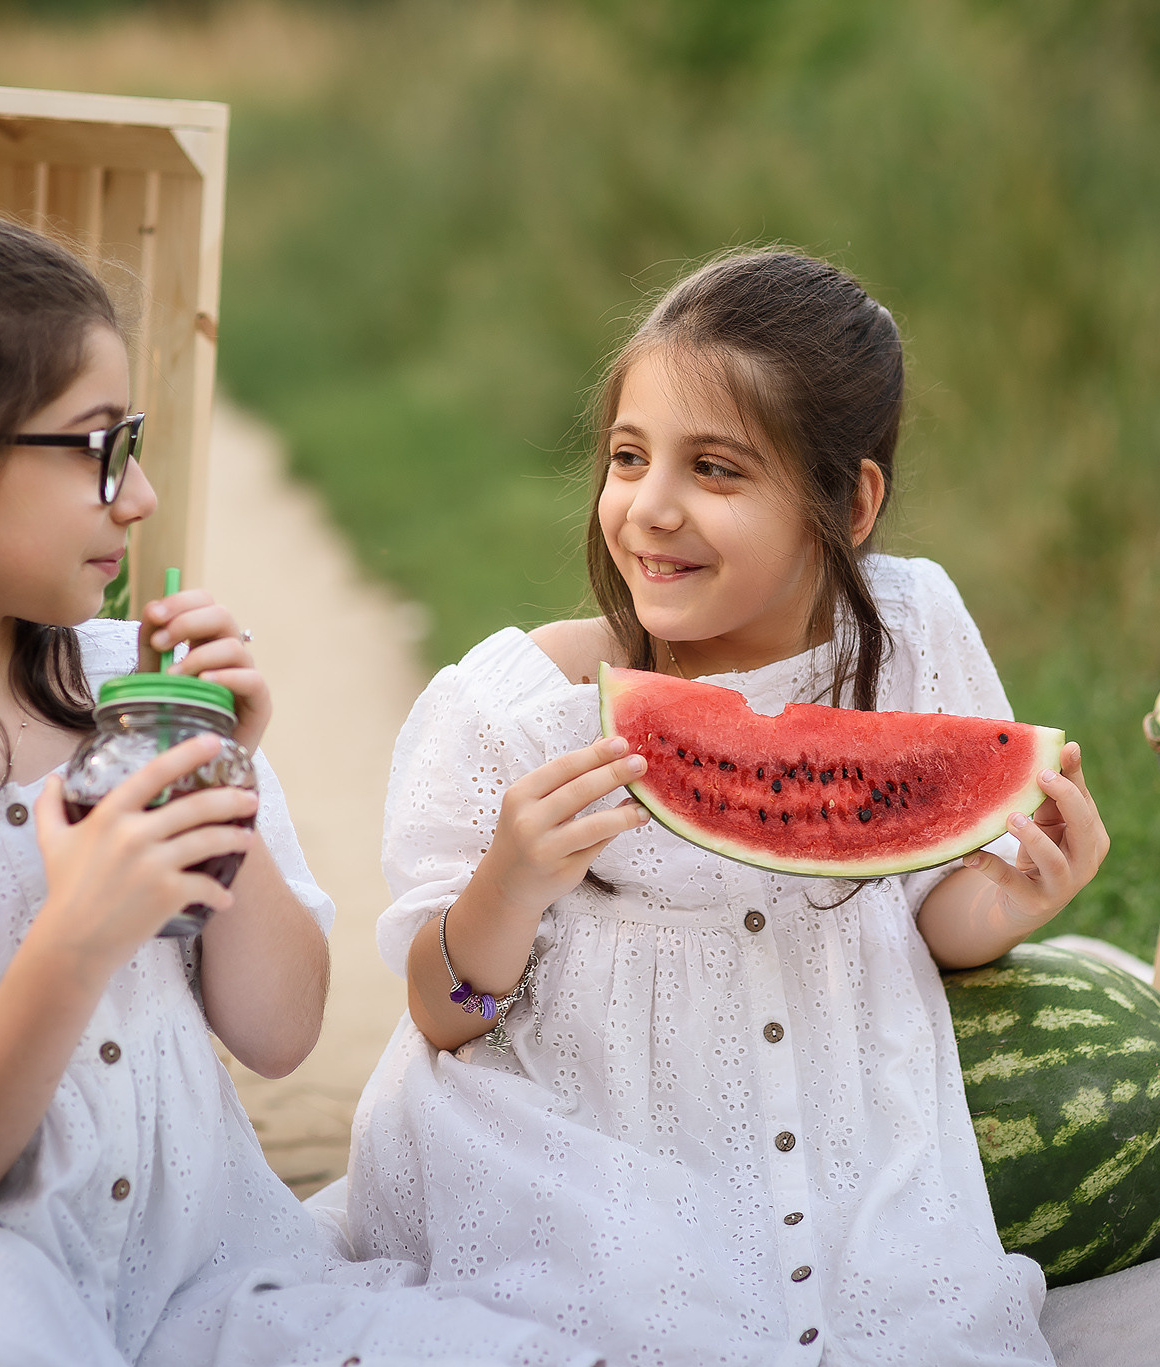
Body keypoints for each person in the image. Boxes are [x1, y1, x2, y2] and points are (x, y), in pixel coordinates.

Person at [0, 187, 603, 1367]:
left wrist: (227, 784)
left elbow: (278, 1028)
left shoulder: (129, 693)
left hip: (195, 1272)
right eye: (101, 448)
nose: (140, 496)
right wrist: (76, 937)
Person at [340, 250, 1108, 1365]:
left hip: (849, 1148)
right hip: (572, 1147)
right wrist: (508, 879)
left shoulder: (908, 632)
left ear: (848, 502)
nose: (650, 508)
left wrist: (1008, 893)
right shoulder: (517, 709)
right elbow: (442, 1010)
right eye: (626, 457)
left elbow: (925, 913)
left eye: (714, 469)